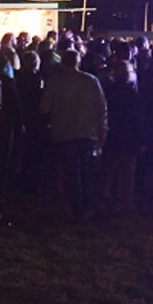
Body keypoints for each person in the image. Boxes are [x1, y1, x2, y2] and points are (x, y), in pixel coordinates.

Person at [43, 47, 109, 221]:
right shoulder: (91, 81)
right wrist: (102, 129)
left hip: (64, 132)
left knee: (71, 172)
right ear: (78, 62)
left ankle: (77, 207)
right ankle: (88, 204)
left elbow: (45, 108)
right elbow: (101, 108)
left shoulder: (55, 82)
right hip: (87, 132)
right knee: (86, 169)